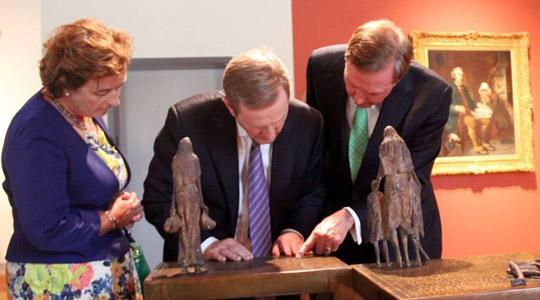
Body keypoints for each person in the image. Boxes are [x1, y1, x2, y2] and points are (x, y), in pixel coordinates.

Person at [2, 19, 144, 299]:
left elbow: (87, 185)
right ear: (65, 85)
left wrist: (118, 203)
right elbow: (48, 229)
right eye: (103, 91)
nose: (115, 101)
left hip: (103, 269)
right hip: (60, 281)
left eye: (119, 87)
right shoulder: (36, 131)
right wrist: (113, 218)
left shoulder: (83, 115)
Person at [142, 47, 325, 263]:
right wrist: (205, 244)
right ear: (230, 107)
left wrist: (294, 231)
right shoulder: (187, 123)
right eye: (257, 126)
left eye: (278, 122)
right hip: (206, 271)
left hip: (279, 268)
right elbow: (158, 199)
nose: (269, 135)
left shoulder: (308, 121)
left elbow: (313, 190)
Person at [297, 19, 452, 264]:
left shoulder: (431, 94)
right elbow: (313, 156)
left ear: (398, 78)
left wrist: (351, 216)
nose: (358, 99)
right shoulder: (321, 66)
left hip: (401, 237)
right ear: (347, 61)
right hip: (330, 234)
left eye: (374, 93)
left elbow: (410, 179)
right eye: (352, 85)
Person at [447, 67, 492, 155]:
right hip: (457, 117)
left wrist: (478, 104)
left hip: (469, 112)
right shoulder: (449, 88)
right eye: (459, 75)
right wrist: (456, 107)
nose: (462, 77)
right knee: (471, 121)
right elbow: (444, 106)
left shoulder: (464, 88)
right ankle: (477, 146)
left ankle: (483, 142)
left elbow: (470, 102)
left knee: (486, 121)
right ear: (454, 76)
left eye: (462, 75)